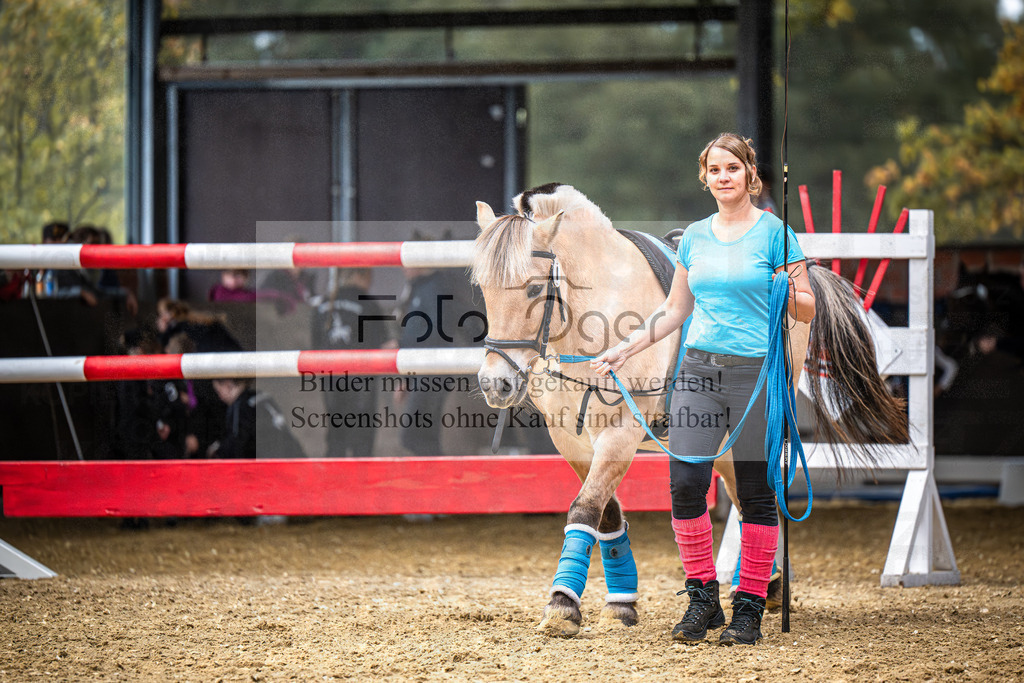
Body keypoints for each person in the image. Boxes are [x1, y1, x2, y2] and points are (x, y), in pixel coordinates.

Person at [591, 133, 815, 646]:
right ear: (705, 177)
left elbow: (809, 305)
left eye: (732, 168)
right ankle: (702, 597)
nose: (723, 177)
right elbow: (675, 310)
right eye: (714, 170)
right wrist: (624, 348)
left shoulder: (776, 235)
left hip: (757, 373)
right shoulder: (695, 236)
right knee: (687, 485)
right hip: (698, 371)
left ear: (749, 173)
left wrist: (785, 290)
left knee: (756, 494)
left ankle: (750, 606)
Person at [310, 268, 394, 457]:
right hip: (361, 381)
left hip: (331, 379)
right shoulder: (367, 303)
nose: (370, 281)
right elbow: (384, 344)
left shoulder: (322, 305)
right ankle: (361, 484)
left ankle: (334, 482)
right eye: (368, 275)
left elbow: (315, 346)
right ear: (358, 274)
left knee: (336, 436)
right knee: (362, 439)